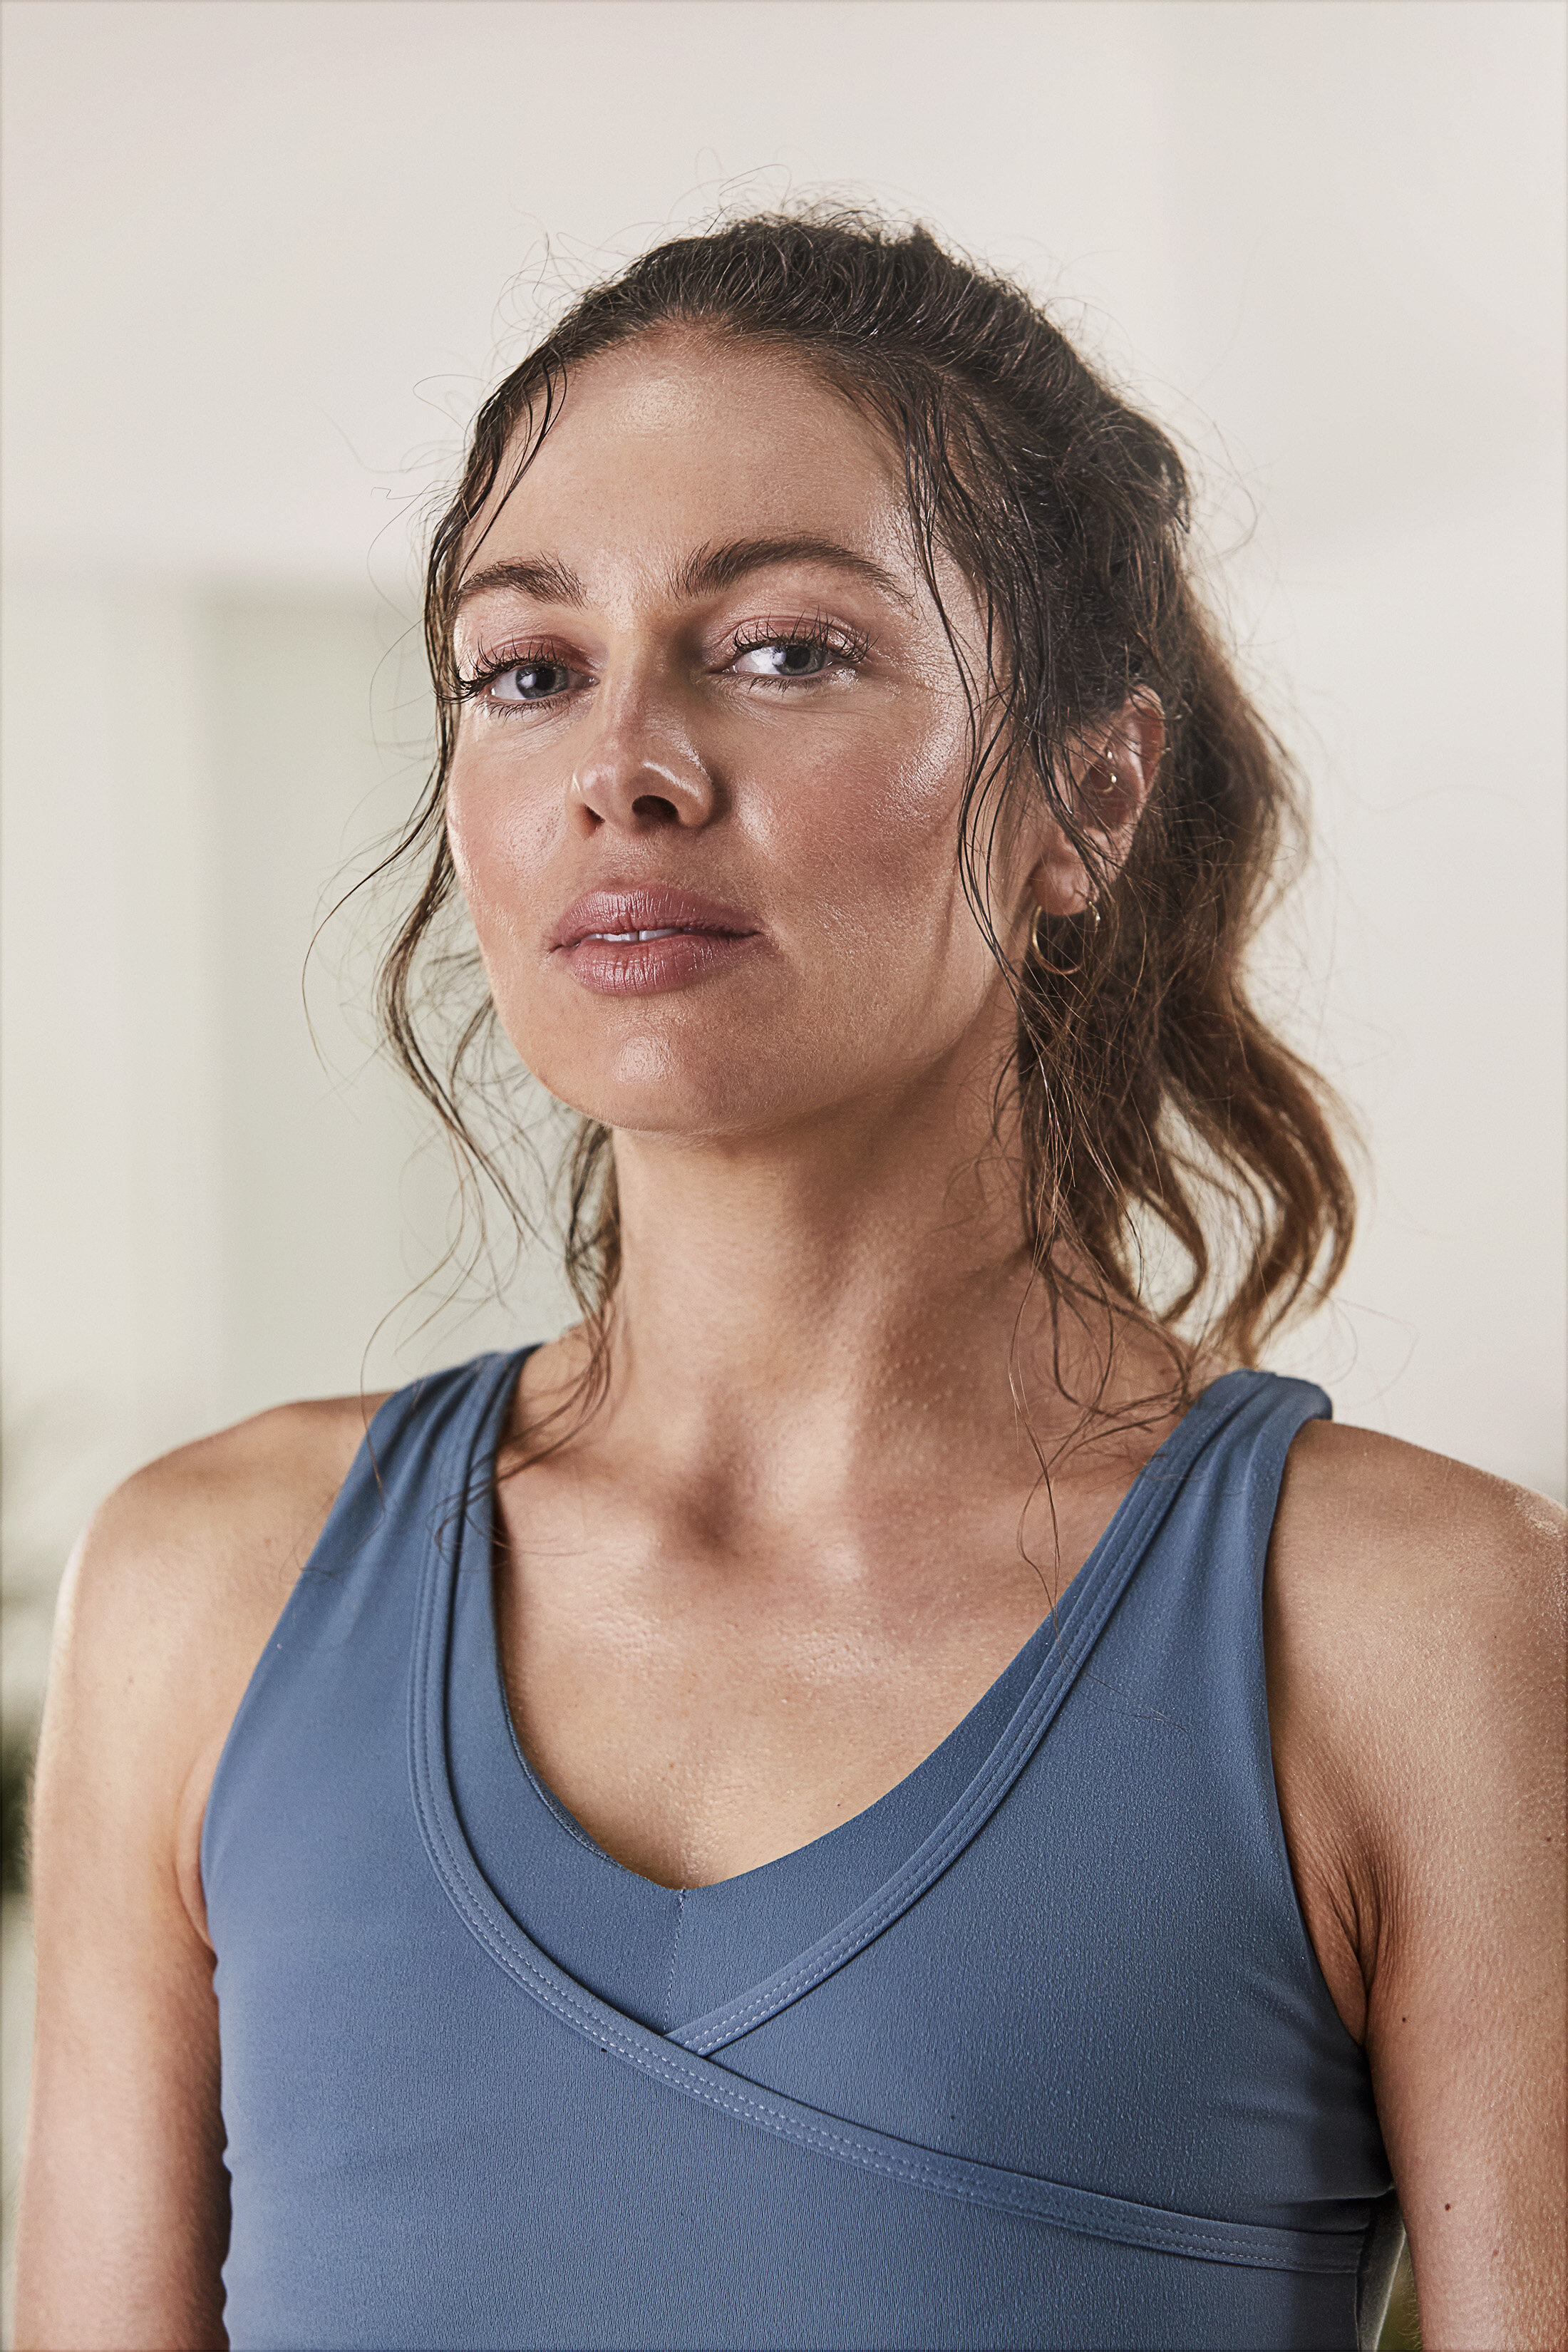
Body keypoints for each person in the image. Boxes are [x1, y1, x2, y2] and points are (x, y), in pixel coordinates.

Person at [15, 210, 1564, 2352]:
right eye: (529, 669)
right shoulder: (209, 1591)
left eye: (783, 650)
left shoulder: (1413, 1627)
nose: (623, 767)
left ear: (1084, 798)